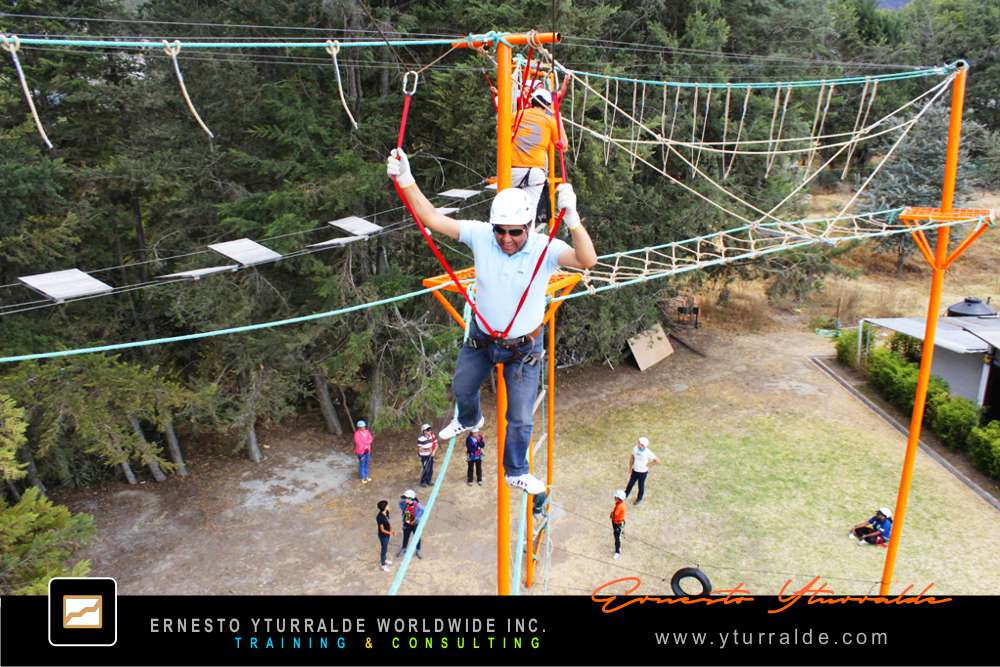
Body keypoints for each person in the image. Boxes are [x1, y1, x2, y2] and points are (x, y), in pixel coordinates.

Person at [387, 148, 597, 498]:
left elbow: (586, 259)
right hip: (483, 340)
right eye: (501, 231)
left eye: (515, 232)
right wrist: (405, 179)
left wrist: (572, 218)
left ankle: (516, 470)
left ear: (529, 226)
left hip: (523, 349)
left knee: (520, 418)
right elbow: (433, 219)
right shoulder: (480, 235)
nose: (506, 239)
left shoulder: (545, 249)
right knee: (463, 388)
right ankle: (469, 419)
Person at [512, 86, 560, 225]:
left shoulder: (517, 115)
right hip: (535, 171)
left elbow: (499, 129)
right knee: (530, 211)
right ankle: (527, 238)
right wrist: (558, 118)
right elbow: (561, 145)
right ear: (547, 105)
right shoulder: (550, 121)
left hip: (512, 169)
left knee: (508, 206)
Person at [625, 436, 659, 505]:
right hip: (635, 471)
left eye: (641, 444)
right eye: (639, 443)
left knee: (641, 486)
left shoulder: (648, 452)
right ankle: (625, 495)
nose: (639, 445)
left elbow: (657, 460)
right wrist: (630, 467)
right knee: (630, 484)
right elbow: (632, 458)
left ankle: (639, 499)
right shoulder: (635, 448)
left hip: (642, 473)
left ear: (645, 446)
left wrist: (648, 465)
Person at [398, 489, 424, 559]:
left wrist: (416, 519)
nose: (404, 499)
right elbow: (400, 504)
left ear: (410, 498)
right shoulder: (403, 503)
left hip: (415, 524)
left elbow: (423, 512)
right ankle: (404, 549)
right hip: (407, 523)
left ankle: (418, 550)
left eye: (406, 498)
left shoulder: (418, 506)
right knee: (405, 536)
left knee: (417, 537)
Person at [376, 500, 393, 571]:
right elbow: (382, 530)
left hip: (387, 534)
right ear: (384, 507)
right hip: (383, 536)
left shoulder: (386, 512)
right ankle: (383, 565)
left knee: (385, 548)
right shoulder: (379, 517)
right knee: (384, 549)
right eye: (387, 505)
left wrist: (391, 529)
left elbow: (388, 523)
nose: (389, 506)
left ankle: (385, 560)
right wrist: (390, 533)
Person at [610, 489, 626, 560]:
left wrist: (612, 514)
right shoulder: (618, 504)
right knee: (616, 535)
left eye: (615, 497)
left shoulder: (620, 506)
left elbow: (615, 514)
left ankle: (617, 552)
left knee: (617, 538)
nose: (614, 498)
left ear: (619, 499)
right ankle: (617, 548)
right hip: (615, 522)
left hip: (618, 524)